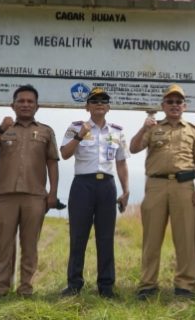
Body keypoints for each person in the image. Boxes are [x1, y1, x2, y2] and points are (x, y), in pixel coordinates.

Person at [129, 84, 195, 300]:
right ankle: (147, 285)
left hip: (184, 187)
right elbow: (133, 148)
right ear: (163, 105)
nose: (174, 105)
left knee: (185, 238)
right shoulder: (153, 128)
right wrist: (143, 128)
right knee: (151, 238)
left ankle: (184, 286)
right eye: (170, 102)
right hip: (155, 186)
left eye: (178, 102)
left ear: (184, 106)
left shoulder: (193, 131)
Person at [0, 85, 60, 298]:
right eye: (21, 101)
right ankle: (0, 289)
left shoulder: (46, 131)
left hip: (35, 196)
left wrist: (52, 193)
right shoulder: (4, 128)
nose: (25, 105)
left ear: (37, 106)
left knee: (30, 245)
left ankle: (26, 289)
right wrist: (0, 129)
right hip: (6, 196)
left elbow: (52, 162)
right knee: (4, 245)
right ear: (13, 105)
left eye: (30, 101)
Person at [59, 87, 130, 298]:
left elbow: (122, 163)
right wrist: (80, 136)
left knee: (106, 237)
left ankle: (106, 286)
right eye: (94, 100)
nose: (99, 103)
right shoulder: (76, 127)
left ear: (108, 106)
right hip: (83, 185)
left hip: (107, 186)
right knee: (78, 236)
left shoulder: (117, 131)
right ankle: (74, 284)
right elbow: (64, 154)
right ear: (87, 106)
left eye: (103, 100)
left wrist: (126, 190)